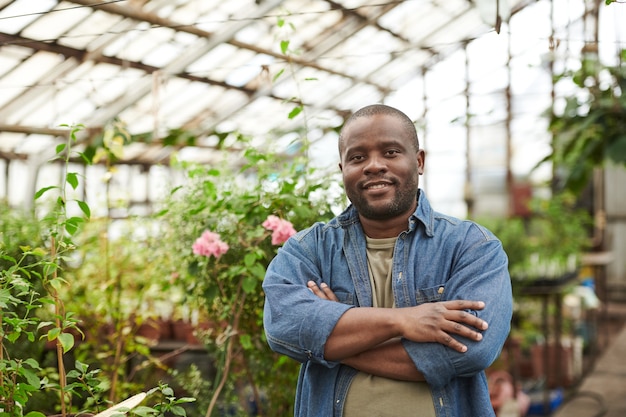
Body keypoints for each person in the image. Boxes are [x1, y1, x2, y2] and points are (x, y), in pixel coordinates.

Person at [262, 104, 513, 417]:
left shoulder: (472, 247)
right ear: (342, 169)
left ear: (418, 161)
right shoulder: (309, 250)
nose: (373, 166)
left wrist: (332, 339)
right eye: (358, 157)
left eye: (391, 152)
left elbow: (471, 351)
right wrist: (404, 320)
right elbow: (283, 328)